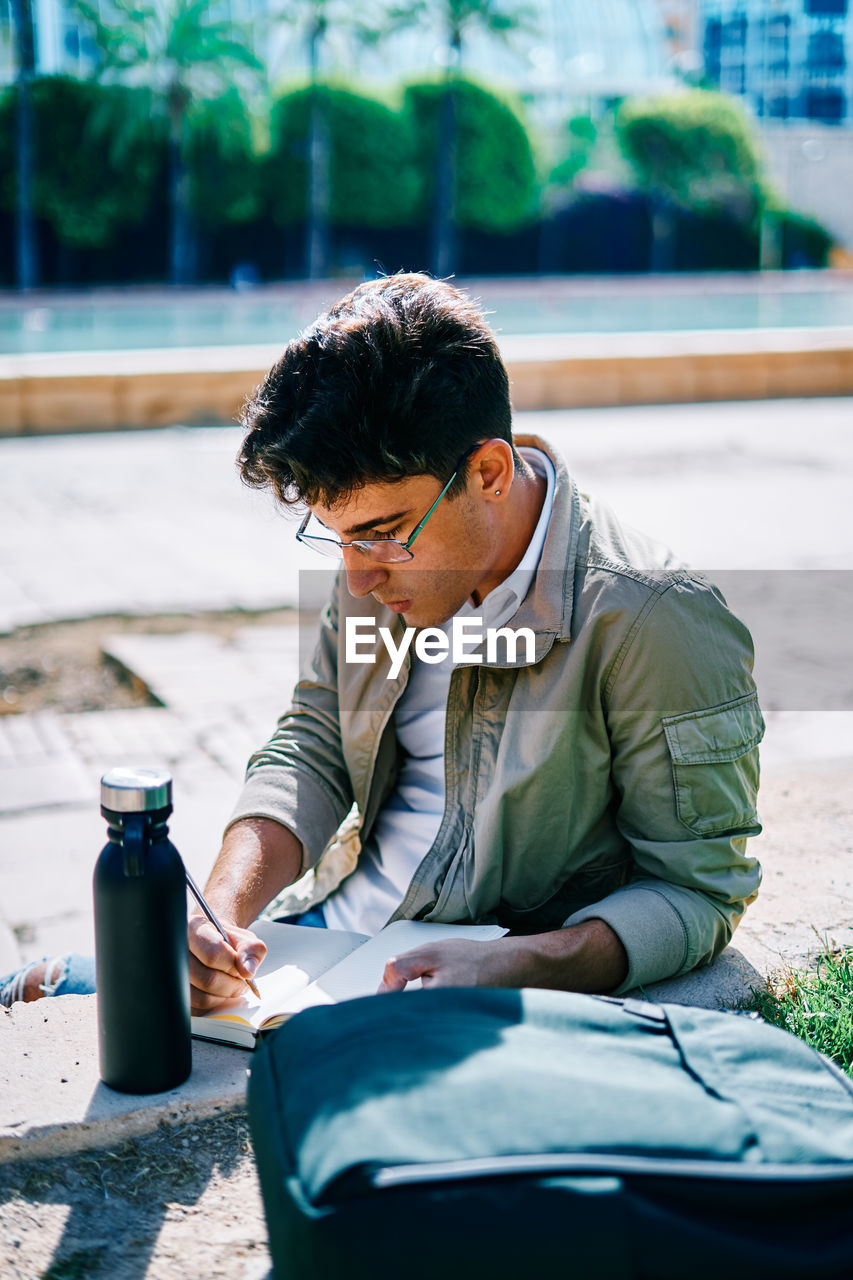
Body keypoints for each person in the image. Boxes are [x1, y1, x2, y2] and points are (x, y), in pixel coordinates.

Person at [2, 273, 764, 1013]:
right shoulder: (384, 555)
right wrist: (221, 910)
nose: (357, 580)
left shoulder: (654, 621)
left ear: (489, 472)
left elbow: (697, 892)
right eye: (337, 539)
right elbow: (315, 741)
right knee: (32, 988)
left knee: (66, 1000)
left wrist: (521, 966)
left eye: (380, 535)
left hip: (443, 987)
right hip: (308, 949)